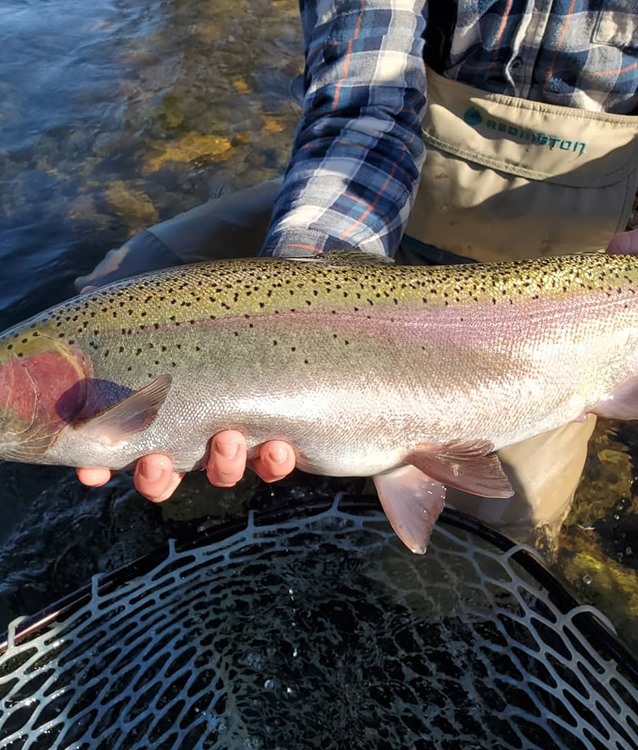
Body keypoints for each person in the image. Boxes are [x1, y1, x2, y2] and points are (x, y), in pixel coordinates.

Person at [75, 1, 638, 543]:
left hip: (579, 276)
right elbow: (366, 106)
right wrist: (300, 299)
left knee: (480, 555)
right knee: (119, 288)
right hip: (375, 199)